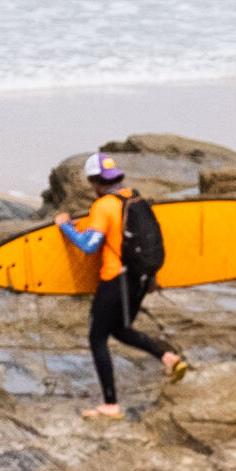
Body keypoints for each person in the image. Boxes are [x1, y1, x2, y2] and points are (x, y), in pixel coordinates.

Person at [58, 152, 187, 419]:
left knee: (97, 338)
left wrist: (65, 228)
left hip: (115, 280)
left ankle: (110, 404)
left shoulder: (104, 205)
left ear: (94, 181)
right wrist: (151, 277)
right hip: (140, 278)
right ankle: (168, 358)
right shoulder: (135, 198)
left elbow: (89, 245)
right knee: (120, 329)